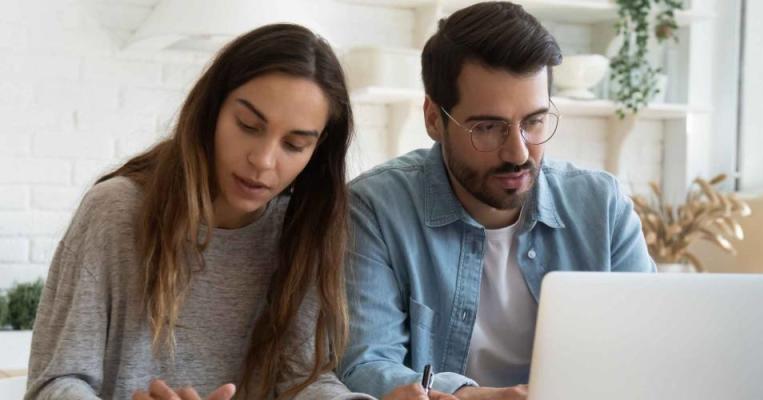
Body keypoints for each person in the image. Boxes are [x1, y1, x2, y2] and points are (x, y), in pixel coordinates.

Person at [24, 23, 448, 400]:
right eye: (248, 125)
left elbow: (302, 381)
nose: (263, 160)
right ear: (212, 111)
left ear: (316, 153)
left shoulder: (301, 230)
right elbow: (55, 382)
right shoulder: (115, 212)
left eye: (294, 145)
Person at [338, 2, 656, 399]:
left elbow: (648, 352)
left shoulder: (602, 207)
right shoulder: (374, 209)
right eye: (488, 127)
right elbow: (365, 363)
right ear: (434, 119)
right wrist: (469, 396)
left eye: (534, 121)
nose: (518, 152)